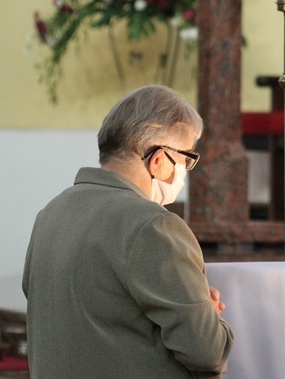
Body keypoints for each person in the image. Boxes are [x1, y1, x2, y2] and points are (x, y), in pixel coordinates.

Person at [23, 85, 234, 378]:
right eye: (186, 160)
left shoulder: (50, 214)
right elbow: (208, 352)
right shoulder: (152, 225)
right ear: (159, 161)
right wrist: (210, 317)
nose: (185, 171)